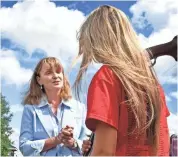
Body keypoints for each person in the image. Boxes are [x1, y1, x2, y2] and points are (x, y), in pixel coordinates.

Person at [74, 5, 170, 156]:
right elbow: (163, 143)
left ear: (96, 38)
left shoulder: (107, 76)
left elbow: (104, 153)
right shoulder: (152, 83)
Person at [19, 57, 87, 156]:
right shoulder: (30, 109)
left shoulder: (80, 108)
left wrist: (74, 143)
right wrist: (56, 140)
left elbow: (89, 144)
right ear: (39, 80)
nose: (55, 76)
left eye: (59, 72)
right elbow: (24, 147)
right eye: (49, 73)